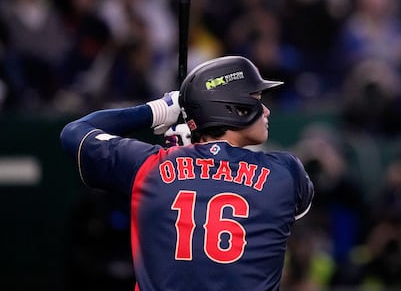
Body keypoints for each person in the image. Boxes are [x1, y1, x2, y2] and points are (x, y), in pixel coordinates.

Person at [60, 55, 314, 290]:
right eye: (258, 101)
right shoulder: (285, 172)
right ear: (235, 109)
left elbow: (74, 133)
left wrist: (159, 110)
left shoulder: (149, 166)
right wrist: (193, 154)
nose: (267, 111)